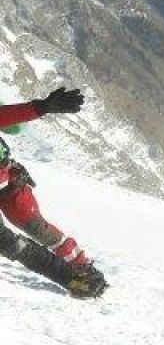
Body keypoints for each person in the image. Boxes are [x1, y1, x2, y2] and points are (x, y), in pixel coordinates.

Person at [0, 87, 107, 297]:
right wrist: (41, 107)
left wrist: (42, 107)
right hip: (7, 175)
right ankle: (69, 276)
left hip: (7, 175)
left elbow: (11, 125)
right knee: (7, 240)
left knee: (33, 225)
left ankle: (81, 268)